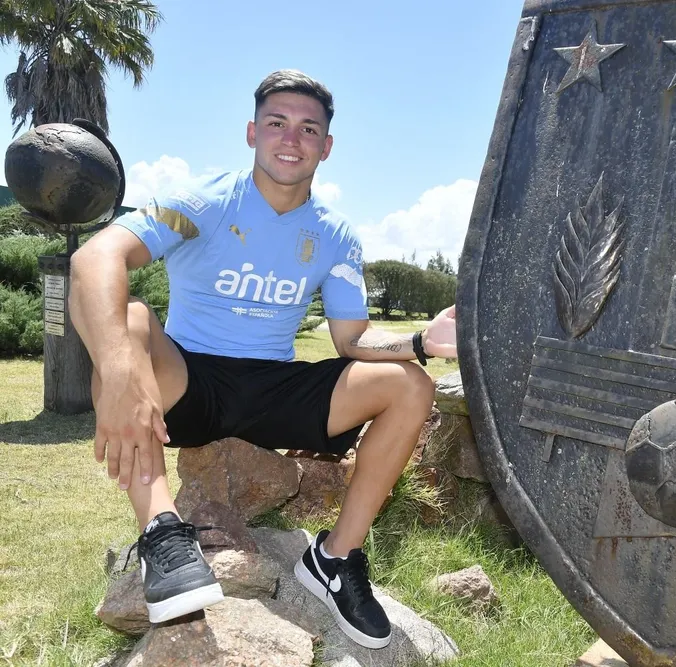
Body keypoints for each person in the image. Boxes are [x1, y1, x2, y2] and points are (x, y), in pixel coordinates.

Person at [67, 68, 458, 650]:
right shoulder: (199, 201)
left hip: (275, 389)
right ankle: (162, 533)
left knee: (410, 385)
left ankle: (334, 558)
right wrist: (121, 369)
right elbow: (95, 259)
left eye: (308, 128)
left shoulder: (336, 234)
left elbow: (352, 340)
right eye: (277, 123)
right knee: (128, 321)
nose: (291, 139)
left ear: (327, 147)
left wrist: (422, 343)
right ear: (252, 132)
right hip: (189, 383)